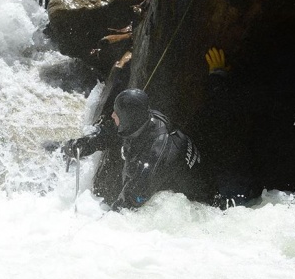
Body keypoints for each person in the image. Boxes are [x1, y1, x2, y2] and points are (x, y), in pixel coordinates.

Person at [63, 88, 217, 210]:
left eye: (116, 113)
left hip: (198, 205)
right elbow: (112, 133)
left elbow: (128, 204)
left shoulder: (153, 159)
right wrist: (82, 145)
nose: (112, 115)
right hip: (186, 179)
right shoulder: (147, 120)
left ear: (127, 119)